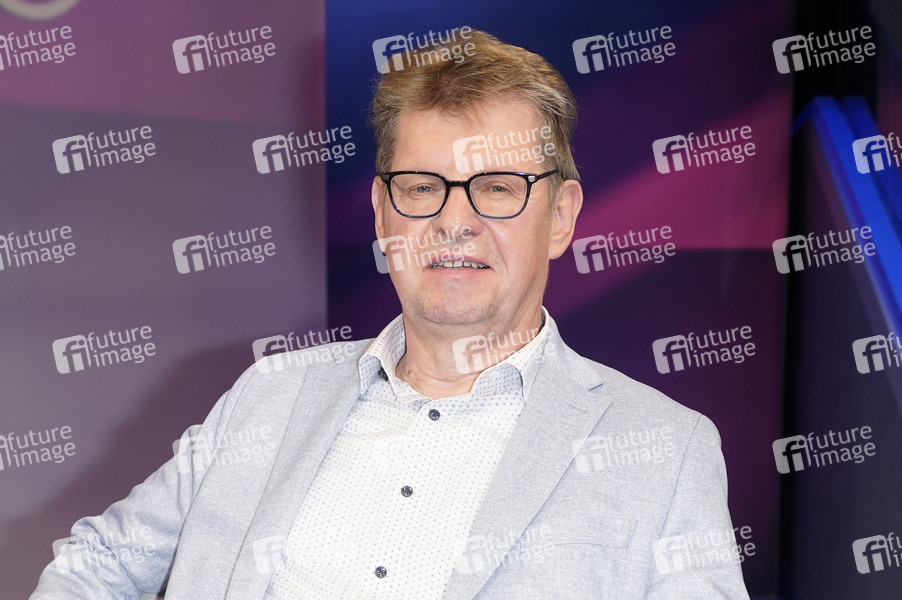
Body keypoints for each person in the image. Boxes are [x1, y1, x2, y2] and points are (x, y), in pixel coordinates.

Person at [31, 30, 750, 599]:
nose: (455, 222)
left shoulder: (664, 449)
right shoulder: (268, 395)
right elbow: (99, 562)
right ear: (382, 212)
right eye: (422, 186)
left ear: (560, 217)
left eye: (498, 188)